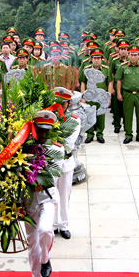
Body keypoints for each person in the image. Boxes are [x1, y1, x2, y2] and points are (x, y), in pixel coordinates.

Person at [25, 110, 61, 277]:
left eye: (46, 130)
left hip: (46, 196)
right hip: (29, 198)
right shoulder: (23, 146)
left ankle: (45, 259)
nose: (43, 134)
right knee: (32, 240)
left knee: (45, 230)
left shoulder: (56, 149)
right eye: (40, 130)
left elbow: (49, 176)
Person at [52, 87, 81, 239]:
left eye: (64, 103)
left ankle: (63, 224)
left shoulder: (74, 120)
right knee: (51, 194)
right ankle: (52, 224)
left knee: (64, 194)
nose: (61, 106)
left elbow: (68, 143)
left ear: (69, 103)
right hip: (51, 163)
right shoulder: (48, 118)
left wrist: (52, 140)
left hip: (65, 161)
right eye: (58, 102)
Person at [116, 46, 139, 144]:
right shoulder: (123, 67)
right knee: (128, 115)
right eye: (131, 55)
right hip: (128, 94)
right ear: (128, 55)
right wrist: (119, 93)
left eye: (135, 55)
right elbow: (118, 80)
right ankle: (128, 135)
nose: (133, 57)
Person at [79, 48, 112, 144]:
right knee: (89, 114)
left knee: (101, 115)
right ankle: (89, 134)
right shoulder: (87, 70)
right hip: (89, 96)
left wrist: (108, 97)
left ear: (102, 59)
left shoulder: (106, 70)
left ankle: (100, 134)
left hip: (101, 97)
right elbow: (82, 83)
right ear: (91, 59)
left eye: (98, 58)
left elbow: (110, 83)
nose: (96, 60)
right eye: (94, 58)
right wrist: (82, 96)